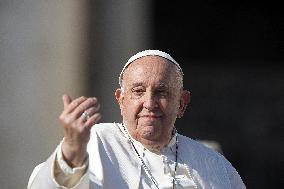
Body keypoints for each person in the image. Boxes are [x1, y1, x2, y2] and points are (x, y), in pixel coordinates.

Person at [27, 50, 246, 189]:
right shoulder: (95, 142)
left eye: (161, 92)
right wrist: (72, 153)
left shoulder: (213, 164)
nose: (149, 103)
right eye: (138, 91)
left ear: (181, 103)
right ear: (121, 99)